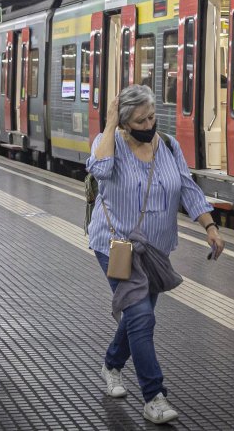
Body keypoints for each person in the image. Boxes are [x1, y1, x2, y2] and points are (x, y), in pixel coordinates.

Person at [87, 84, 225, 425]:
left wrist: (209, 226)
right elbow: (99, 171)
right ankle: (154, 396)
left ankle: (111, 365)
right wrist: (107, 125)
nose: (150, 124)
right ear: (124, 122)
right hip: (116, 247)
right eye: (141, 120)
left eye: (152, 116)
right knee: (142, 317)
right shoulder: (110, 144)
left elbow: (187, 186)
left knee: (138, 317)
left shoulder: (167, 145)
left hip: (156, 250)